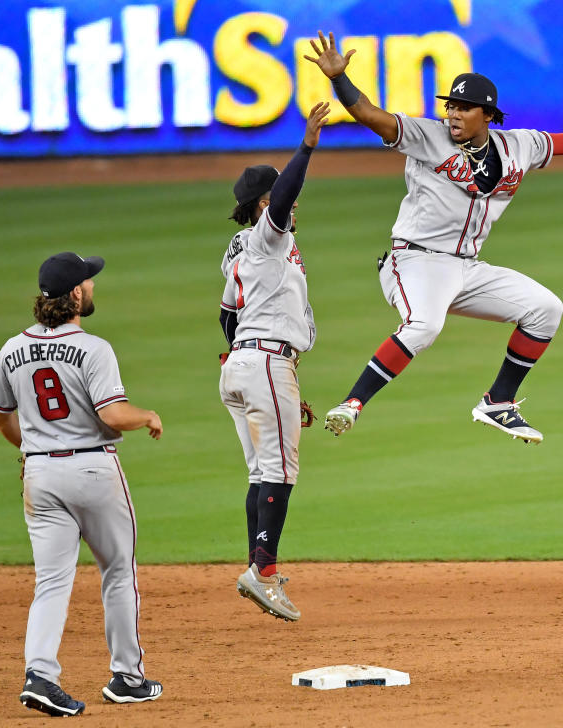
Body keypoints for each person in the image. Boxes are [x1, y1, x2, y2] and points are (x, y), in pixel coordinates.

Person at [304, 31, 563, 443]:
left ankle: (498, 402)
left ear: (489, 115)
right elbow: (371, 115)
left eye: (464, 108)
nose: (453, 114)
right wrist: (339, 80)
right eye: (450, 106)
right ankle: (352, 404)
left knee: (546, 309)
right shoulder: (427, 137)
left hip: (466, 267)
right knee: (424, 325)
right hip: (415, 261)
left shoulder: (519, 147)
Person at [0, 252, 164, 717]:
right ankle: (128, 677)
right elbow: (111, 414)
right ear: (76, 295)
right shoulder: (94, 349)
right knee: (118, 571)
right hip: (93, 472)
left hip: (40, 476)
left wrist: (33, 449)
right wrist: (146, 415)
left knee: (51, 582)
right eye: (89, 281)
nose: (93, 286)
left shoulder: (11, 348)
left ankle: (40, 675)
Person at [218, 101, 331, 622]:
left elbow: (227, 318)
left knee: (261, 473)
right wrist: (306, 145)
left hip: (245, 366)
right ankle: (262, 573)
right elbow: (285, 198)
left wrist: (272, 372)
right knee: (280, 473)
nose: (288, 205)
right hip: (263, 365)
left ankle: (256, 567)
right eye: (275, 197)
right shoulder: (269, 235)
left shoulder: (238, 249)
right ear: (263, 205)